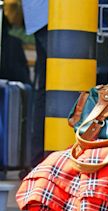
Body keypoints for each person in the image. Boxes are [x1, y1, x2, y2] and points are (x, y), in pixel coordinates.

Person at [21, 0, 48, 168]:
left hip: (44, 16)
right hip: (54, 16)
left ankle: (38, 160)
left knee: (46, 89)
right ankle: (40, 160)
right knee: (50, 89)